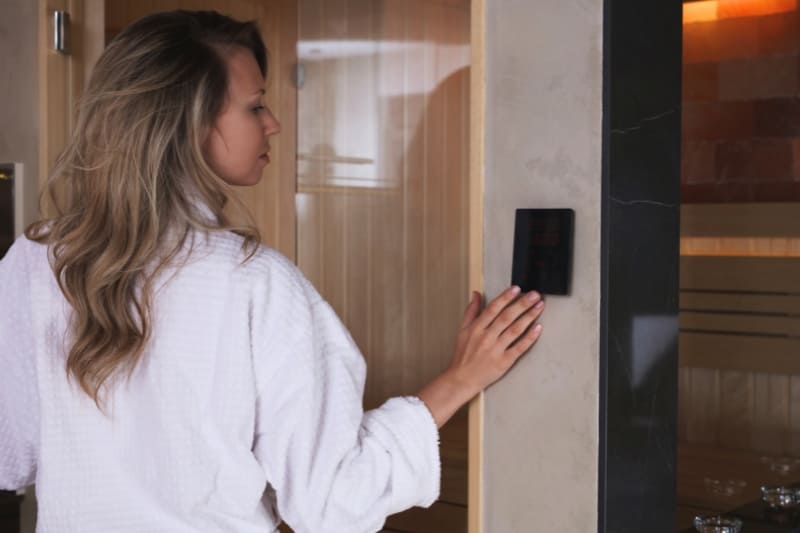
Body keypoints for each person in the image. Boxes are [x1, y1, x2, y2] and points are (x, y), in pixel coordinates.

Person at [0, 10, 545, 533]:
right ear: (188, 123)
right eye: (256, 106)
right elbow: (330, 503)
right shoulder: (254, 283)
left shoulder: (35, 263)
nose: (275, 123)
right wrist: (460, 380)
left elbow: (11, 452)